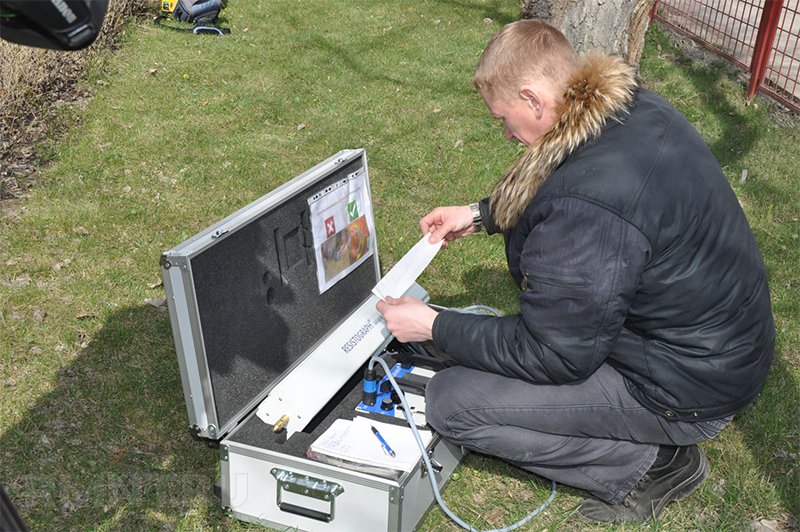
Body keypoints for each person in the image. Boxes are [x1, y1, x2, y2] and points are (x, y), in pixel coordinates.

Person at [376, 19, 774, 523]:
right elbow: (560, 177)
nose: (505, 133)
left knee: (453, 402)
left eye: (504, 117)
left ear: (533, 98)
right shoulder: (632, 109)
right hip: (723, 349)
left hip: (682, 390)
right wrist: (479, 214)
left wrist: (433, 324)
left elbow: (553, 355)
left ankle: (656, 463)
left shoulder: (590, 208)